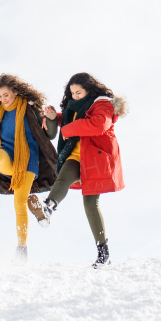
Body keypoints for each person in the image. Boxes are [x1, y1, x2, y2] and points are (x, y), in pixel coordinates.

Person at [35, 72, 127, 268]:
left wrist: (67, 130)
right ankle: (49, 206)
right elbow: (72, 119)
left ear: (89, 90)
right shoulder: (75, 106)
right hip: (77, 155)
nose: (75, 96)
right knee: (63, 177)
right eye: (72, 93)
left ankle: (104, 253)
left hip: (96, 158)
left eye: (78, 92)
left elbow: (98, 124)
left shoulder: (103, 104)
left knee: (90, 204)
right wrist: (54, 117)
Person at [0, 74, 58, 261]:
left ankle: (21, 248)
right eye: (0, 96)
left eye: (6, 95)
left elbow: (49, 134)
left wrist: (50, 119)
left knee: (19, 202)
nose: (3, 99)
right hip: (6, 154)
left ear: (15, 92)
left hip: (28, 159)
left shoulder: (31, 110)